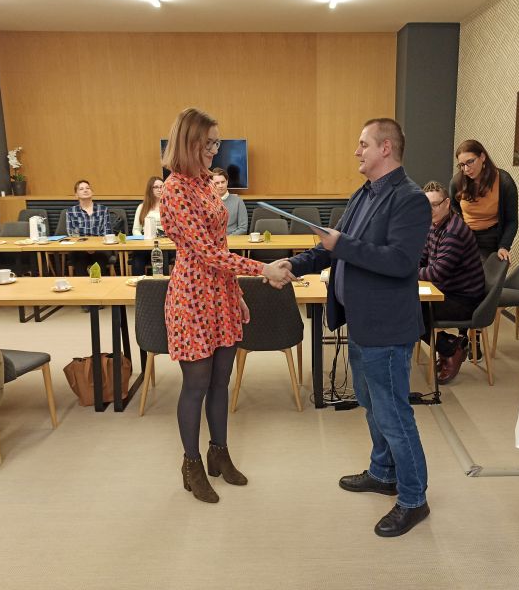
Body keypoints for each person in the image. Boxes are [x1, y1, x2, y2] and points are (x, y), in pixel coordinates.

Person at [283, 118, 432, 537]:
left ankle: (413, 499)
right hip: (362, 322)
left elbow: (400, 261)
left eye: (363, 144)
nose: (356, 151)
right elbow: (332, 247)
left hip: (387, 328)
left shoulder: (411, 199)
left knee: (393, 414)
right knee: (371, 404)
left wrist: (341, 244)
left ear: (386, 148)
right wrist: (293, 264)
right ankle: (383, 472)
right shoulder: (364, 193)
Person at [159, 107, 295, 504]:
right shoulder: (175, 189)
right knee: (196, 384)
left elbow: (220, 244)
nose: (215, 150)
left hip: (220, 293)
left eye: (217, 143)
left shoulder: (206, 182)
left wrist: (236, 294)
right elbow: (205, 252)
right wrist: (261, 268)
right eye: (209, 143)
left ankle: (219, 453)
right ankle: (191, 464)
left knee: (221, 380)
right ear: (189, 142)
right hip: (192, 296)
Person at [418, 181, 485, 383]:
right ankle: (449, 346)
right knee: (406, 306)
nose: (429, 210)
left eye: (434, 205)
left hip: (464, 300)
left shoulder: (453, 231)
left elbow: (437, 272)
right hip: (446, 291)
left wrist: (407, 274)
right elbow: (423, 259)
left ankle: (451, 348)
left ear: (447, 203)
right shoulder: (433, 224)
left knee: (409, 312)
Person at [448, 139, 518, 262]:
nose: (466, 169)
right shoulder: (457, 181)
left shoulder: (504, 182)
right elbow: (453, 205)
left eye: (470, 162)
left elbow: (511, 221)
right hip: (464, 235)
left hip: (489, 239)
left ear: (482, 157)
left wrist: (504, 246)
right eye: (462, 165)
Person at [65, 180, 112, 275]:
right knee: (80, 264)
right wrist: (86, 247)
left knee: (100, 265)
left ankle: (100, 284)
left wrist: (94, 246)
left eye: (88, 188)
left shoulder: (103, 210)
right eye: (81, 189)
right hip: (79, 248)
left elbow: (107, 232)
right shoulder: (71, 211)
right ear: (76, 195)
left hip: (100, 247)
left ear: (92, 192)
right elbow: (72, 234)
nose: (85, 190)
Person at [131, 176, 166, 275]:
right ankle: (139, 282)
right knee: (137, 258)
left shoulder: (169, 205)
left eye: (162, 186)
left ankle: (163, 283)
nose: (159, 189)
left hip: (165, 244)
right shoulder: (142, 207)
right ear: (150, 189)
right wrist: (145, 240)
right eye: (156, 187)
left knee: (164, 257)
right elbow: (136, 229)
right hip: (146, 243)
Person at [212, 167, 248, 235]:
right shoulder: (208, 202)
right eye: (217, 183)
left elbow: (243, 228)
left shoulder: (238, 201)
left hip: (232, 239)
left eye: (223, 182)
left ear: (227, 182)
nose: (220, 186)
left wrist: (227, 239)